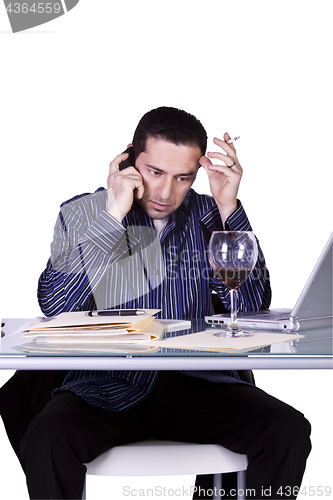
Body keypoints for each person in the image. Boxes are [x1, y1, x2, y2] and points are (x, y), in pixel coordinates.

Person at [0, 107, 311, 500]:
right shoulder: (82, 212)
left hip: (198, 384)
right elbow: (57, 304)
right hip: (106, 387)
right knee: (47, 437)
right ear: (129, 160)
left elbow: (248, 307)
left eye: (183, 178)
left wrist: (229, 208)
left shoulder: (209, 213)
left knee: (287, 431)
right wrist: (113, 215)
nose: (167, 193)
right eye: (156, 172)